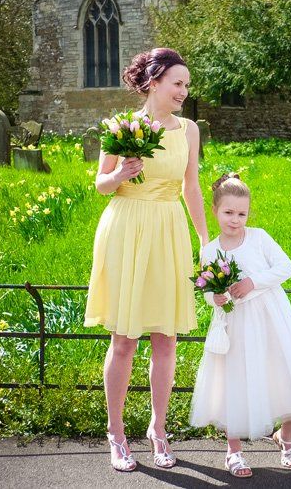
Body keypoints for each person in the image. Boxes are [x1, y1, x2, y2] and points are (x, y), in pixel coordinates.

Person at [84, 47, 208, 472]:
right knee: (124, 339)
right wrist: (119, 175)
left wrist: (205, 239)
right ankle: (116, 434)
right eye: (178, 83)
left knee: (166, 338)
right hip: (127, 228)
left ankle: (159, 428)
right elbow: (101, 184)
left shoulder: (188, 130)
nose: (184, 92)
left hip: (169, 229)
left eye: (187, 85)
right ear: (153, 82)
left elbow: (191, 186)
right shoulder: (122, 126)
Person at [190, 174, 291, 478]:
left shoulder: (259, 237)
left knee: (286, 375)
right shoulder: (210, 251)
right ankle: (234, 450)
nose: (235, 220)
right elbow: (208, 295)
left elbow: (286, 267)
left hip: (270, 318)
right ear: (215, 211)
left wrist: (252, 282)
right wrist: (220, 295)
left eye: (242, 213)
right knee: (235, 382)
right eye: (228, 213)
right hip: (234, 325)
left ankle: (287, 439)